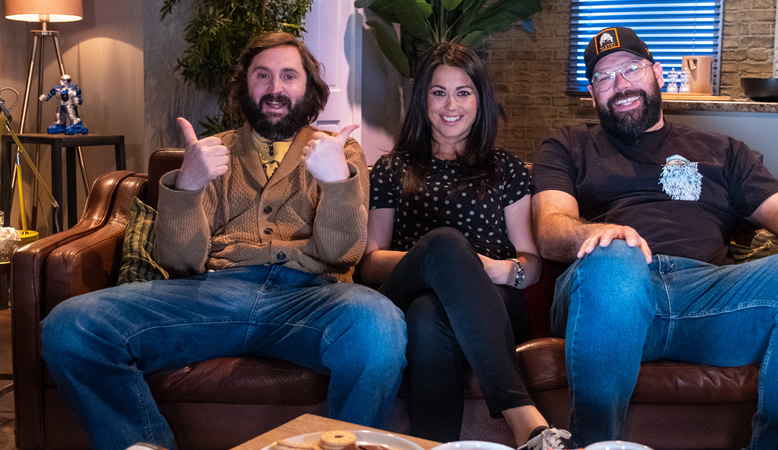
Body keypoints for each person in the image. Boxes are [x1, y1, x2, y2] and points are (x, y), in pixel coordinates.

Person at [40, 32, 407, 450]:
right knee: (70, 326)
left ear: (309, 89)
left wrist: (336, 181)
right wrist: (188, 185)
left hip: (310, 300)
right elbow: (180, 263)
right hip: (213, 295)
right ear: (245, 86)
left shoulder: (341, 151)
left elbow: (342, 255)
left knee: (379, 325)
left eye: (289, 76)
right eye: (262, 75)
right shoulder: (216, 151)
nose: (275, 88)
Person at [531, 26, 778, 449]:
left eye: (631, 69)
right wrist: (600, 234)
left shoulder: (722, 150)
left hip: (711, 298)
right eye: (603, 77)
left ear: (655, 72)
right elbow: (550, 227)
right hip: (607, 292)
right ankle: (596, 444)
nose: (620, 85)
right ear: (593, 93)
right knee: (616, 258)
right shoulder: (568, 144)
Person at [359, 42, 571, 450]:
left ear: (479, 100)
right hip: (406, 290)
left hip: (493, 302)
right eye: (438, 92)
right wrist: (438, 259)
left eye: (463, 92)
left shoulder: (505, 168)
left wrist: (493, 269)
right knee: (443, 247)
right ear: (423, 100)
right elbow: (370, 264)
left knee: (428, 316)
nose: (450, 104)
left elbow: (532, 262)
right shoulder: (392, 167)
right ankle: (523, 418)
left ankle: (431, 447)